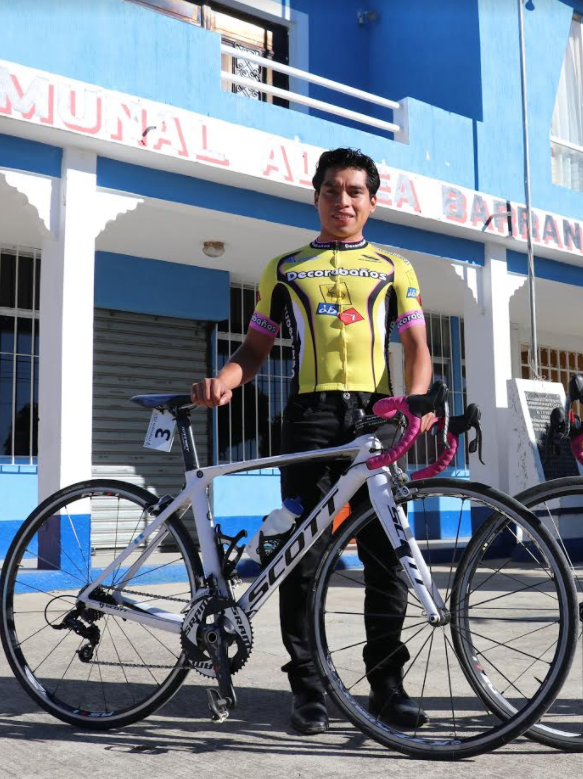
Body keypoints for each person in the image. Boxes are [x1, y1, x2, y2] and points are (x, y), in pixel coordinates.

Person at [192, 147, 434, 735]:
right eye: (332, 190)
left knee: (386, 555)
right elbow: (254, 352)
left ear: (373, 201)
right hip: (310, 420)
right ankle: (309, 687)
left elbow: (418, 350)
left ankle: (387, 686)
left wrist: (417, 405)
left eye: (355, 191)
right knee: (302, 558)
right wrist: (222, 382)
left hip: (378, 419)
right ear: (316, 196)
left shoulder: (395, 268)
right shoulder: (284, 268)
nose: (343, 200)